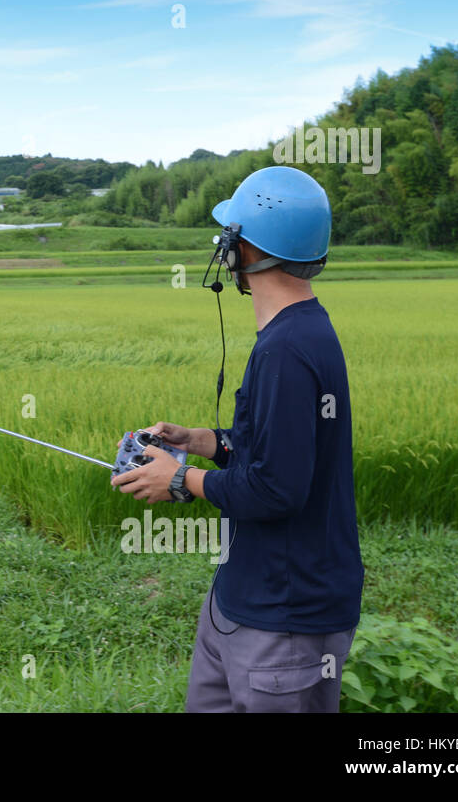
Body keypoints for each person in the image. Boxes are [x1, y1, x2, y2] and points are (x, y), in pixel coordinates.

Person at [110, 165, 364, 712]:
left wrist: (179, 479)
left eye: (228, 234)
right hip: (242, 597)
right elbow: (277, 448)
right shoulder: (296, 332)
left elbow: (277, 489)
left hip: (285, 622)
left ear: (244, 248)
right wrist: (201, 440)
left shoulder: (287, 350)